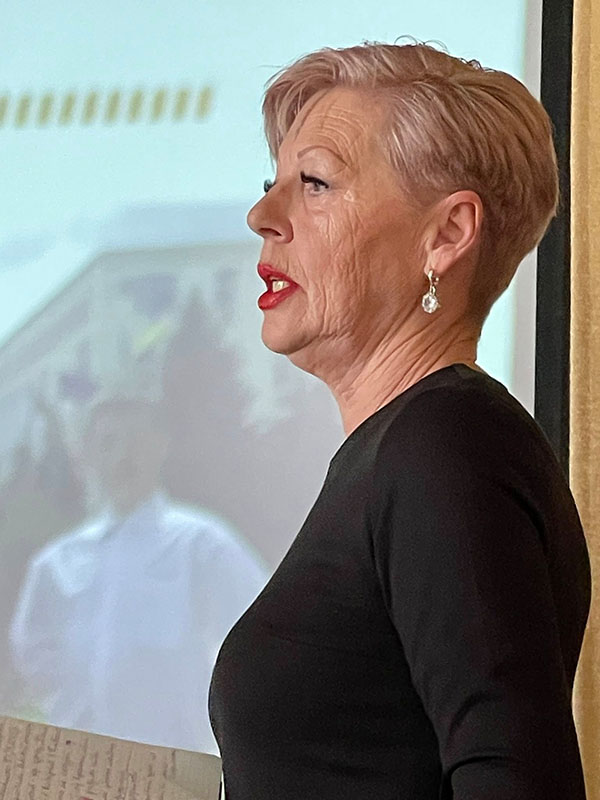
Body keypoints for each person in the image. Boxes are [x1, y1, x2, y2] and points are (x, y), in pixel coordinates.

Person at [208, 41, 591, 799]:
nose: (262, 216)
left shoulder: (448, 445)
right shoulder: (406, 448)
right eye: (271, 184)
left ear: (446, 235)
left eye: (315, 183)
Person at [11, 396, 268, 754]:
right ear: (88, 456)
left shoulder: (200, 542)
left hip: (180, 756)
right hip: (85, 758)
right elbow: (31, 647)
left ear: (160, 446)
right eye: (108, 443)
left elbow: (260, 630)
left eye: (135, 440)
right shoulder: (57, 562)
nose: (122, 457)